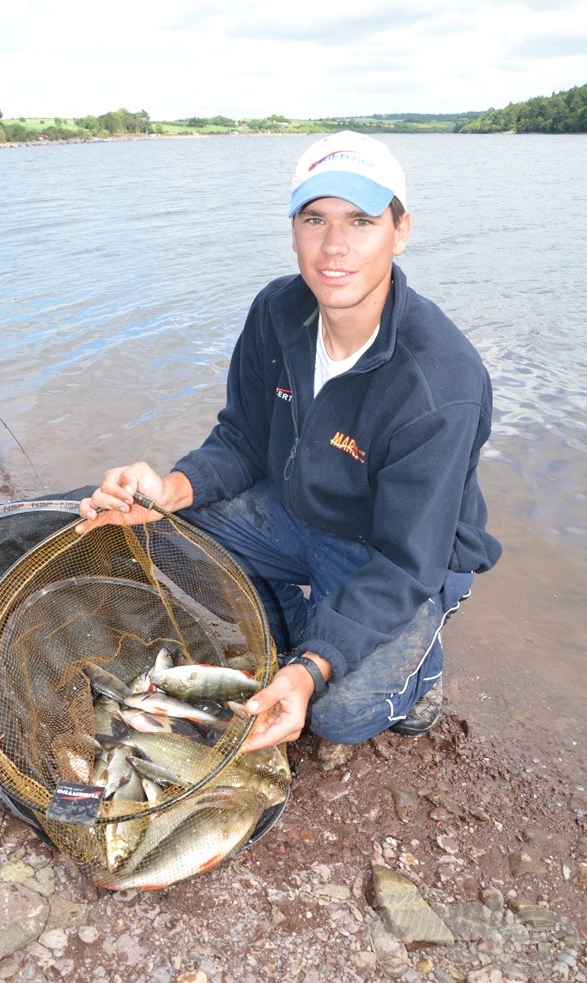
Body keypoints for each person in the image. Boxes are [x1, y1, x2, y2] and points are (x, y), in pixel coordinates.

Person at [77, 131, 501, 762]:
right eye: (315, 220)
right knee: (159, 531)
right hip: (296, 508)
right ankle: (303, 628)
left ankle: (422, 668)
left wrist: (311, 671)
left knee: (339, 714)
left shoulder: (441, 384)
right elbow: (244, 439)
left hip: (397, 551)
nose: (334, 246)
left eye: (360, 221)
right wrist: (171, 489)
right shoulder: (276, 310)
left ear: (400, 230)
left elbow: (407, 560)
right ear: (294, 228)